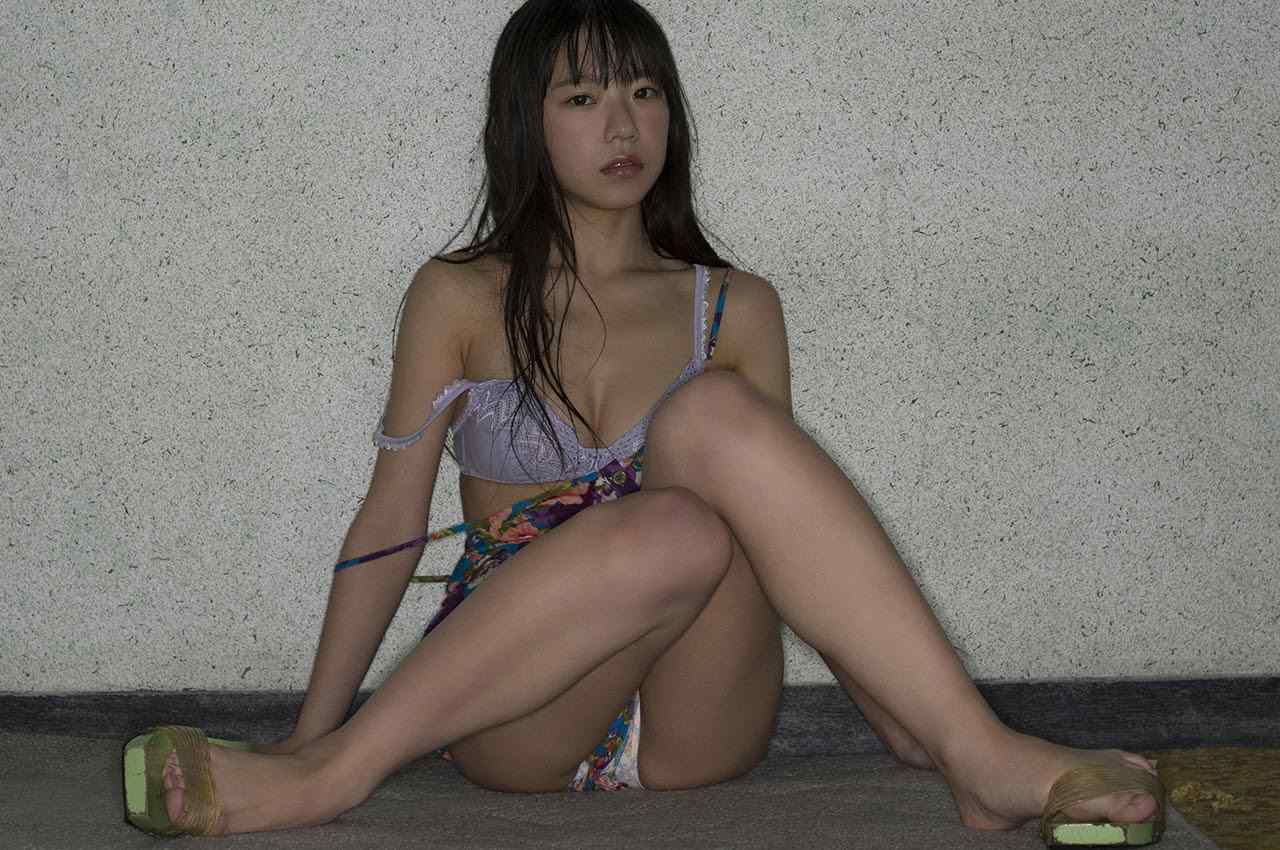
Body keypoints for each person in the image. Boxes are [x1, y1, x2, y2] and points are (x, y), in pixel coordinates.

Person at [123, 0, 1166, 843]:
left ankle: (971, 750)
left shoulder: (735, 306)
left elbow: (792, 536)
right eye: (582, 97)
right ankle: (328, 773)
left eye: (643, 91)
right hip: (516, 709)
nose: (622, 127)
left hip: (697, 717)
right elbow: (390, 522)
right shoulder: (459, 296)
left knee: (712, 430)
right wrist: (307, 733)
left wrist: (908, 725)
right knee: (674, 524)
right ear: (526, 122)